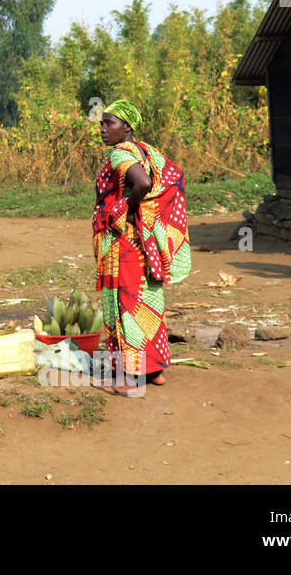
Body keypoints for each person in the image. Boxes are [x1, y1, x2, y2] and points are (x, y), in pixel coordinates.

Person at [92, 101, 190, 396]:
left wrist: (123, 207)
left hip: (124, 244)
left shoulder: (120, 153)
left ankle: (126, 376)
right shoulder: (147, 152)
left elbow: (144, 183)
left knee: (125, 306)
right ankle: (154, 370)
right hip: (145, 243)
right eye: (102, 124)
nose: (103, 129)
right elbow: (171, 177)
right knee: (148, 302)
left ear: (127, 128)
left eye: (110, 123)